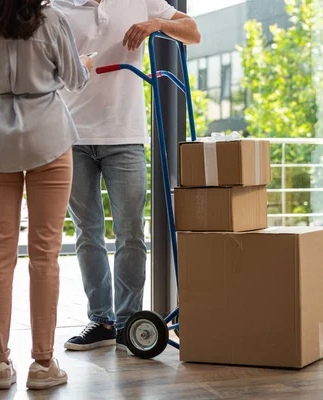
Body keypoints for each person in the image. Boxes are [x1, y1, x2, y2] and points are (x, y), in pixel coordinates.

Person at [0, 0, 93, 390]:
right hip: (48, 138)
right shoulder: (51, 18)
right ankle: (42, 364)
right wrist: (81, 62)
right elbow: (74, 79)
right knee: (45, 253)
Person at [53, 0, 201, 351]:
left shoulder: (142, 1)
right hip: (72, 134)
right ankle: (101, 319)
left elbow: (193, 32)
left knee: (131, 232)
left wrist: (156, 25)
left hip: (126, 136)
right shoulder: (57, 6)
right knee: (87, 233)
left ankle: (128, 323)